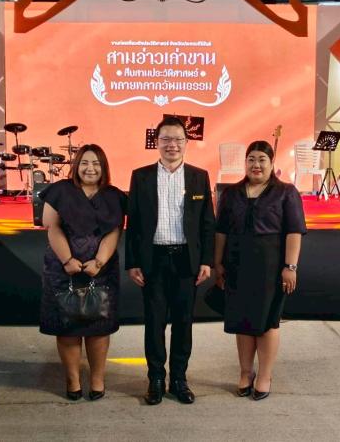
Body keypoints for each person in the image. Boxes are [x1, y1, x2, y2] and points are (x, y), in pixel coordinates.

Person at [126, 116, 215, 405]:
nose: (172, 145)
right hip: (153, 259)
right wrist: (132, 262)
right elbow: (133, 223)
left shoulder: (199, 176)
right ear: (157, 142)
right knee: (154, 322)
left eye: (178, 139)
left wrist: (206, 260)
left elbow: (207, 222)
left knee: (183, 322)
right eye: (165, 139)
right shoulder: (140, 176)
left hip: (186, 261)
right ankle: (155, 379)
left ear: (186, 143)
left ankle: (179, 379)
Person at [214, 140, 306, 400]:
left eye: (262, 160)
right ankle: (246, 372)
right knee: (242, 322)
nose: (256, 165)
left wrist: (290, 267)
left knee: (267, 323)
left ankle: (265, 375)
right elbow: (221, 231)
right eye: (251, 159)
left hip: (271, 268)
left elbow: (294, 232)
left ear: (272, 163)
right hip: (236, 265)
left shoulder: (286, 192)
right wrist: (218, 263)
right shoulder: (231, 193)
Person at [39, 144, 126, 401]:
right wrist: (67, 260)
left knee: (99, 326)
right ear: (76, 165)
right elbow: (52, 227)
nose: (90, 168)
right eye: (85, 163)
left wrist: (99, 261)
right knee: (67, 327)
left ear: (104, 167)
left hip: (101, 269)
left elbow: (114, 231)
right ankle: (73, 379)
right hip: (63, 267)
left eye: (96, 163)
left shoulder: (114, 195)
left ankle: (97, 379)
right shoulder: (59, 190)